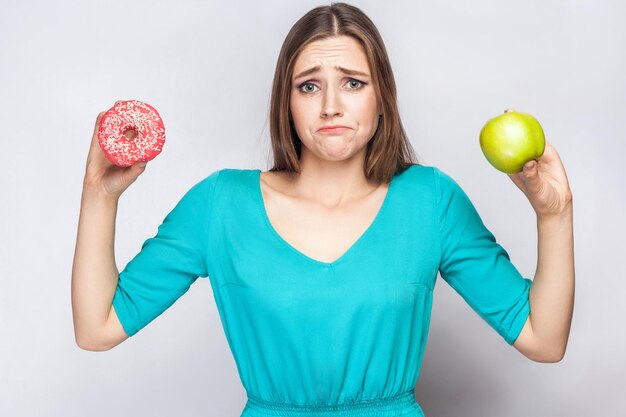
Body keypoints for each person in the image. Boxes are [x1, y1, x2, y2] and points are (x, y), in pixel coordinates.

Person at [71, 2, 574, 416]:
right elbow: (97, 328)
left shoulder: (431, 200)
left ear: (382, 99)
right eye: (308, 85)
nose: (330, 104)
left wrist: (554, 215)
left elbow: (543, 339)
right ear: (286, 102)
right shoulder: (220, 204)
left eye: (353, 82)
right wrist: (99, 192)